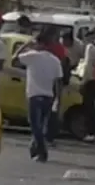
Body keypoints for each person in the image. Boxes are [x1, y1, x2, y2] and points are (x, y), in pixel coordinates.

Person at [18, 29, 63, 163]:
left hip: (34, 95)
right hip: (48, 96)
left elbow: (15, 58)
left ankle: (42, 152)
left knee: (35, 125)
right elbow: (58, 81)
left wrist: (26, 44)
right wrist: (58, 98)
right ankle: (35, 148)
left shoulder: (32, 56)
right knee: (41, 126)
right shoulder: (55, 60)